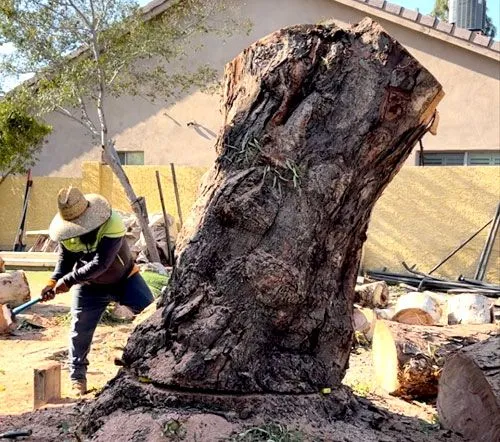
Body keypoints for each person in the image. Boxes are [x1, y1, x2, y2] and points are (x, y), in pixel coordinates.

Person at [41, 187, 154, 395]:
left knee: (155, 316)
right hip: (89, 287)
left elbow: (101, 263)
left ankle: (150, 364)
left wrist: (68, 280)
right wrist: (52, 282)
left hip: (125, 279)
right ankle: (77, 378)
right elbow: (65, 261)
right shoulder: (69, 235)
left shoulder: (112, 224)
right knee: (79, 330)